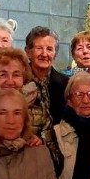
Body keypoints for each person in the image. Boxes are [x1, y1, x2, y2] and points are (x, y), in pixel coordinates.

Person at [24, 26, 66, 171]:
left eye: (49, 49)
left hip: (59, 154)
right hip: (27, 152)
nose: (44, 54)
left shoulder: (66, 84)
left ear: (55, 54)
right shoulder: (17, 81)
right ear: (28, 52)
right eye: (39, 48)